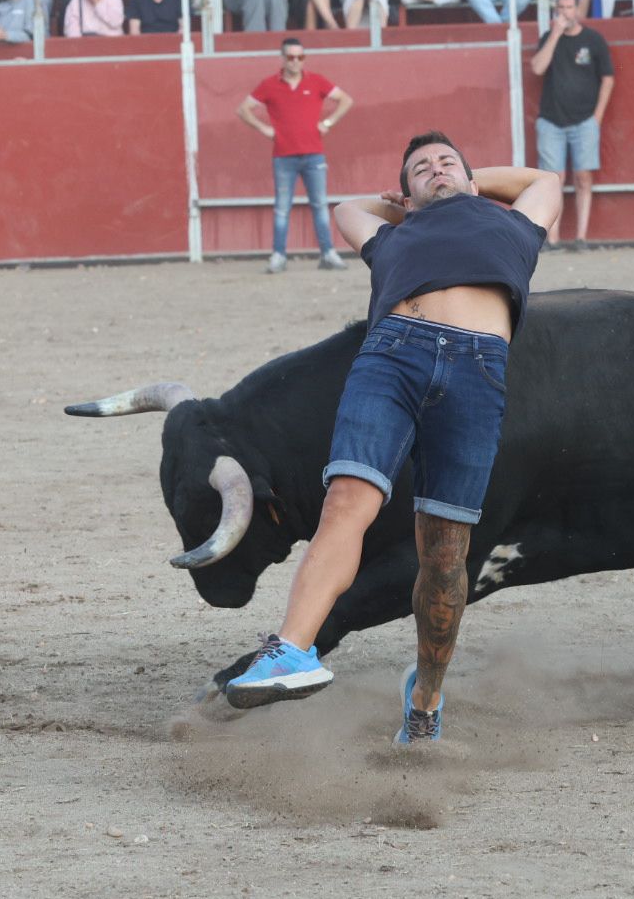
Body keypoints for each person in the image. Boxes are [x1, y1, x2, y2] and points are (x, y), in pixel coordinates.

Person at [222, 130, 561, 746]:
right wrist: (409, 203)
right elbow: (346, 209)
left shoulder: (515, 222)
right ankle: (292, 650)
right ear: (403, 194)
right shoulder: (391, 236)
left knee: (444, 555)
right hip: (391, 357)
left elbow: (545, 182)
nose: (437, 170)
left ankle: (425, 699)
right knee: (347, 500)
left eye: (446, 162)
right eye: (421, 168)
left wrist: (466, 180)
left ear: (474, 174)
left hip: (477, 370)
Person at [235, 37, 355, 273]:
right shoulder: (270, 84)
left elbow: (346, 100)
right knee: (283, 207)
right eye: (291, 57)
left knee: (318, 205)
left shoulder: (316, 81)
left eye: (300, 57)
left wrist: (328, 122)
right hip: (284, 155)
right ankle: (280, 256)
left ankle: (327, 253)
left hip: (312, 154)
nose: (296, 61)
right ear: (283, 59)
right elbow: (243, 109)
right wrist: (264, 128)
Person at [530, 0, 612, 245]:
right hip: (552, 120)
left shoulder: (593, 40)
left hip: (585, 120)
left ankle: (580, 236)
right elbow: (537, 68)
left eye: (569, 7)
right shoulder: (549, 37)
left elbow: (608, 79)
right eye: (561, 8)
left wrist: (597, 117)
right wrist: (555, 34)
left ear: (577, 9)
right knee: (554, 180)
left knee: (583, 177)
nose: (565, 12)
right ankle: (552, 239)